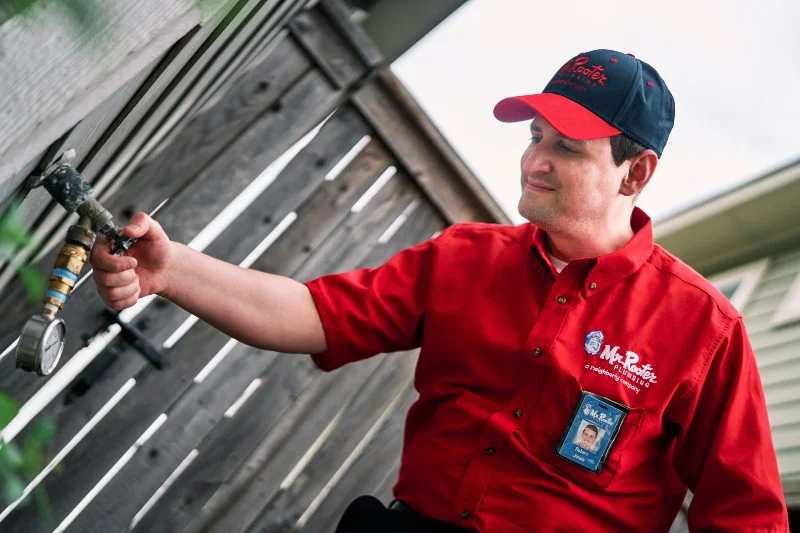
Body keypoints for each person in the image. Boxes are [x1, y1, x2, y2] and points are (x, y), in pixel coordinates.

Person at [90, 49, 790, 532]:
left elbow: (745, 515)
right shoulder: (464, 257)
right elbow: (312, 314)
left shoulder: (705, 326)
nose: (534, 160)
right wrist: (169, 268)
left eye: (566, 148)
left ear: (635, 174)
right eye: (537, 134)